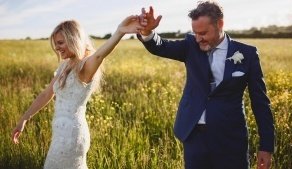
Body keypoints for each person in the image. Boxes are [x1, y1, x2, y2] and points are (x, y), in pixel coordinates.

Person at [138, 1, 274, 169]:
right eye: (195, 33)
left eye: (203, 33)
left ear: (220, 24)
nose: (198, 38)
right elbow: (160, 46)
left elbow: (260, 103)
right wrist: (147, 32)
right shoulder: (190, 45)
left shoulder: (247, 54)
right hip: (195, 137)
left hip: (231, 139)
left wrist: (266, 146)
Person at [12, 15, 145, 169]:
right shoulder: (64, 66)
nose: (57, 48)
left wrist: (119, 32)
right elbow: (46, 94)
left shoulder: (85, 67)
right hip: (60, 136)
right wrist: (24, 119)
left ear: (73, 39)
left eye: (60, 43)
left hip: (72, 138)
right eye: (56, 44)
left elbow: (100, 55)